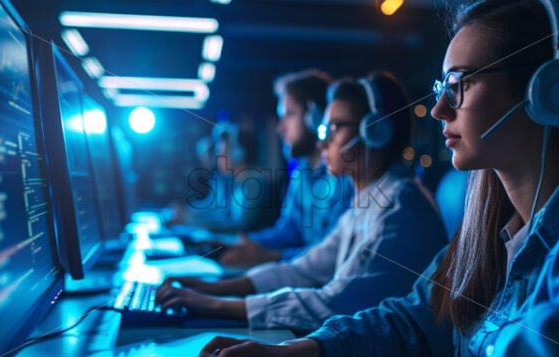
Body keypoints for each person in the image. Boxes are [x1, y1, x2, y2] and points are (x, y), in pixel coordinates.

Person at [180, 0, 559, 357]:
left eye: (459, 85)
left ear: (552, 87)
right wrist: (299, 351)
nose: (438, 111)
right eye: (441, 90)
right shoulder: (492, 226)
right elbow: (413, 318)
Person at [154, 72, 448, 333]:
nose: (322, 143)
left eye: (332, 130)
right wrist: (210, 288)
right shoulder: (367, 202)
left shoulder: (397, 209)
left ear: (374, 131)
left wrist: (213, 303)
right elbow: (304, 269)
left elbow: (333, 302)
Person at [215, 69, 355, 266]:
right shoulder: (300, 173)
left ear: (313, 117)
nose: (280, 128)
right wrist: (242, 244)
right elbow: (288, 232)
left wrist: (272, 256)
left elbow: (330, 255)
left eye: (289, 114)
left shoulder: (343, 175)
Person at [174, 122, 273, 233]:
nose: (218, 159)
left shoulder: (254, 182)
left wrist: (191, 223)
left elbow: (242, 226)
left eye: (223, 153)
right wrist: (190, 221)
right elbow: (224, 218)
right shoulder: (235, 183)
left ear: (238, 154)